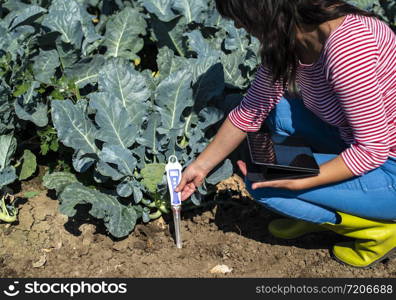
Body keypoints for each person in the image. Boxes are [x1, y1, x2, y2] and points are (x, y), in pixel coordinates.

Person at [175, 0, 396, 268]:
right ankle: (323, 204)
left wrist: (302, 181)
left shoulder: (348, 52)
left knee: (264, 187)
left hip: (388, 168)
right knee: (279, 111)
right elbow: (251, 111)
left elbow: (372, 150)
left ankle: (377, 231)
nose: (237, 24)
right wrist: (201, 166)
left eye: (240, 15)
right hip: (357, 140)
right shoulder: (293, 36)